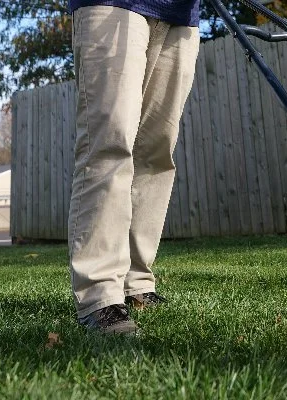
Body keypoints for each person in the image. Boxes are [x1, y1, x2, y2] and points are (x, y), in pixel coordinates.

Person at [66, 0, 201, 335]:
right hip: (113, 6)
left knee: (156, 150)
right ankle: (99, 295)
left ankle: (136, 283)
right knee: (109, 143)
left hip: (180, 13)